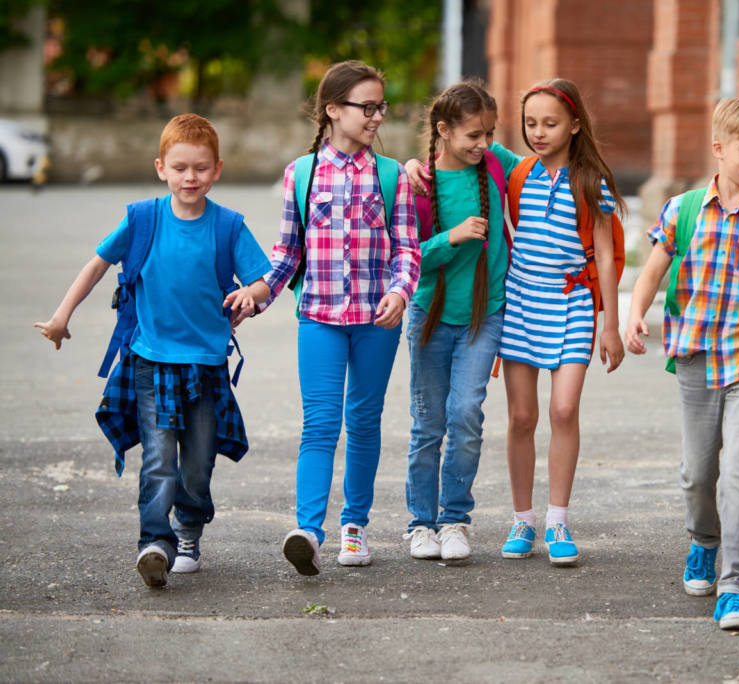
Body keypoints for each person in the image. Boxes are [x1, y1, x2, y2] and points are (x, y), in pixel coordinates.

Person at [34, 113, 270, 588]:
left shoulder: (228, 226)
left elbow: (264, 279)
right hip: (150, 362)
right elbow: (96, 266)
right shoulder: (143, 218)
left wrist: (253, 294)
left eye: (201, 168)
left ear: (217, 169)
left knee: (197, 466)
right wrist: (62, 316)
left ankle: (188, 532)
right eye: (180, 167)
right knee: (159, 461)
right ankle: (155, 544)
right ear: (161, 167)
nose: (190, 177)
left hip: (205, 367)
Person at [624, 98, 739, 630]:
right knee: (698, 473)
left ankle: (735, 585)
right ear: (719, 149)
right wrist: (635, 314)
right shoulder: (680, 211)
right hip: (697, 355)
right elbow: (653, 269)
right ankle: (703, 540)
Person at [237, 60, 419, 576]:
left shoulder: (390, 176)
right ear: (333, 110)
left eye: (381, 106)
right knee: (319, 424)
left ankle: (354, 527)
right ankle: (309, 534)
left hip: (376, 321)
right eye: (367, 106)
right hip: (318, 316)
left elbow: (407, 248)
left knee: (363, 422)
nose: (377, 116)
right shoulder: (302, 173)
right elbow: (286, 253)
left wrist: (401, 293)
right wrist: (256, 293)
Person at [497, 78, 625, 567]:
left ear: (574, 125)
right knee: (522, 417)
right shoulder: (519, 172)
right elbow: (469, 158)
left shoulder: (592, 180)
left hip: (572, 303)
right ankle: (522, 518)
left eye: (550, 123)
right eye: (531, 123)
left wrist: (610, 323)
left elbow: (609, 256)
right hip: (521, 300)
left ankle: (557, 520)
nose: (539, 132)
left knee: (564, 410)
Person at [401, 80, 523, 562]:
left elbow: (544, 165)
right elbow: (407, 259)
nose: (484, 144)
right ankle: (420, 524)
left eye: (490, 133)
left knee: (466, 414)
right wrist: (450, 237)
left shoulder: (495, 165)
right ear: (443, 130)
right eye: (474, 135)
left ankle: (455, 519)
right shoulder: (419, 184)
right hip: (430, 317)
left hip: (484, 314)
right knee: (429, 423)